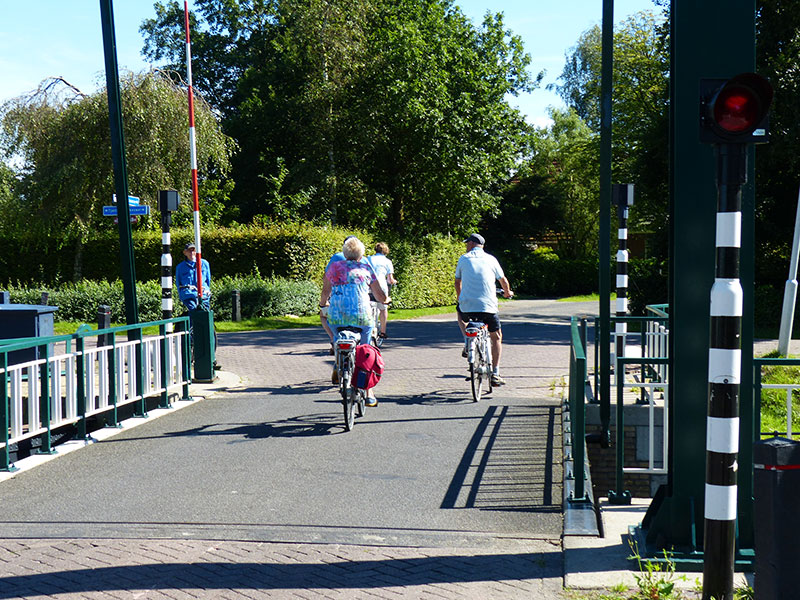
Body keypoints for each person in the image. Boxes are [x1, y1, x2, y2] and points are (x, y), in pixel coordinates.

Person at [320, 236, 390, 406]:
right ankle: (369, 391)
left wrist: (323, 304)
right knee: (366, 349)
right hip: (361, 318)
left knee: (336, 336)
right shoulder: (366, 267)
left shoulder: (334, 268)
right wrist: (385, 299)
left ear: (344, 253)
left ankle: (339, 361)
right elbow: (379, 294)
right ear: (361, 255)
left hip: (337, 317)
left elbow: (325, 291)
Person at [454, 233, 513, 386]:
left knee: (460, 316)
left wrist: (461, 298)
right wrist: (507, 293)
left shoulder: (463, 259)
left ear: (473, 244)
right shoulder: (491, 259)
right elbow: (503, 280)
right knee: (497, 337)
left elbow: (457, 282)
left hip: (468, 307)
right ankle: (496, 373)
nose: (466, 246)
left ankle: (467, 341)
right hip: (488, 307)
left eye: (467, 243)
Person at [367, 242, 398, 341]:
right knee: (383, 308)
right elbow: (390, 279)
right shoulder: (387, 261)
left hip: (369, 285)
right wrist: (394, 282)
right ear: (385, 251)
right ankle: (383, 332)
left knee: (369, 308)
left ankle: (368, 330)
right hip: (382, 286)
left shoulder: (369, 259)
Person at [176, 242, 211, 312]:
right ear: (185, 252)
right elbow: (178, 282)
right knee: (194, 312)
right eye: (189, 251)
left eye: (193, 250)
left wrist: (206, 289)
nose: (191, 253)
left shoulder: (204, 263)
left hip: (203, 294)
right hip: (189, 294)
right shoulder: (180, 267)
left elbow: (208, 279)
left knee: (205, 312)